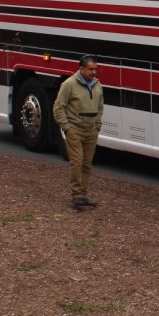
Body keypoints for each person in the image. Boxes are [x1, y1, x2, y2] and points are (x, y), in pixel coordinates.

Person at [52, 55, 105, 210]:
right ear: (81, 69)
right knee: (77, 161)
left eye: (95, 69)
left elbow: (100, 106)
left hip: (91, 131)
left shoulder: (97, 85)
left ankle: (82, 194)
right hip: (75, 130)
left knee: (87, 164)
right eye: (90, 69)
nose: (94, 72)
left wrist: (98, 125)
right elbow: (58, 108)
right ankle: (76, 195)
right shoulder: (68, 85)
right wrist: (67, 128)